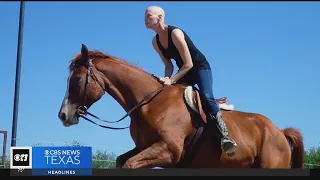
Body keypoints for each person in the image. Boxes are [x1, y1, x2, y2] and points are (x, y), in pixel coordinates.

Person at [144, 6, 237, 156]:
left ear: (160, 17)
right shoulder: (155, 42)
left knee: (206, 96)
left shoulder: (175, 33)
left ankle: (225, 137)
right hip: (183, 71)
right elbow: (168, 65)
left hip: (199, 67)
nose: (145, 19)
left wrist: (172, 79)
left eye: (148, 16)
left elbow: (189, 64)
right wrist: (166, 79)